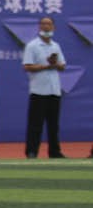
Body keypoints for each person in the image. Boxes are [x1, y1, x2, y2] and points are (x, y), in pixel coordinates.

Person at [22, 16, 67, 159]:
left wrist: (55, 64)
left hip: (54, 90)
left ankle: (55, 151)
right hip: (38, 90)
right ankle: (32, 151)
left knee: (53, 125)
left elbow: (62, 66)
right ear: (39, 27)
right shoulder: (32, 45)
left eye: (49, 24)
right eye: (43, 24)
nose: (46, 27)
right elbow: (27, 66)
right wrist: (45, 66)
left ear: (53, 27)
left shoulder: (56, 46)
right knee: (36, 124)